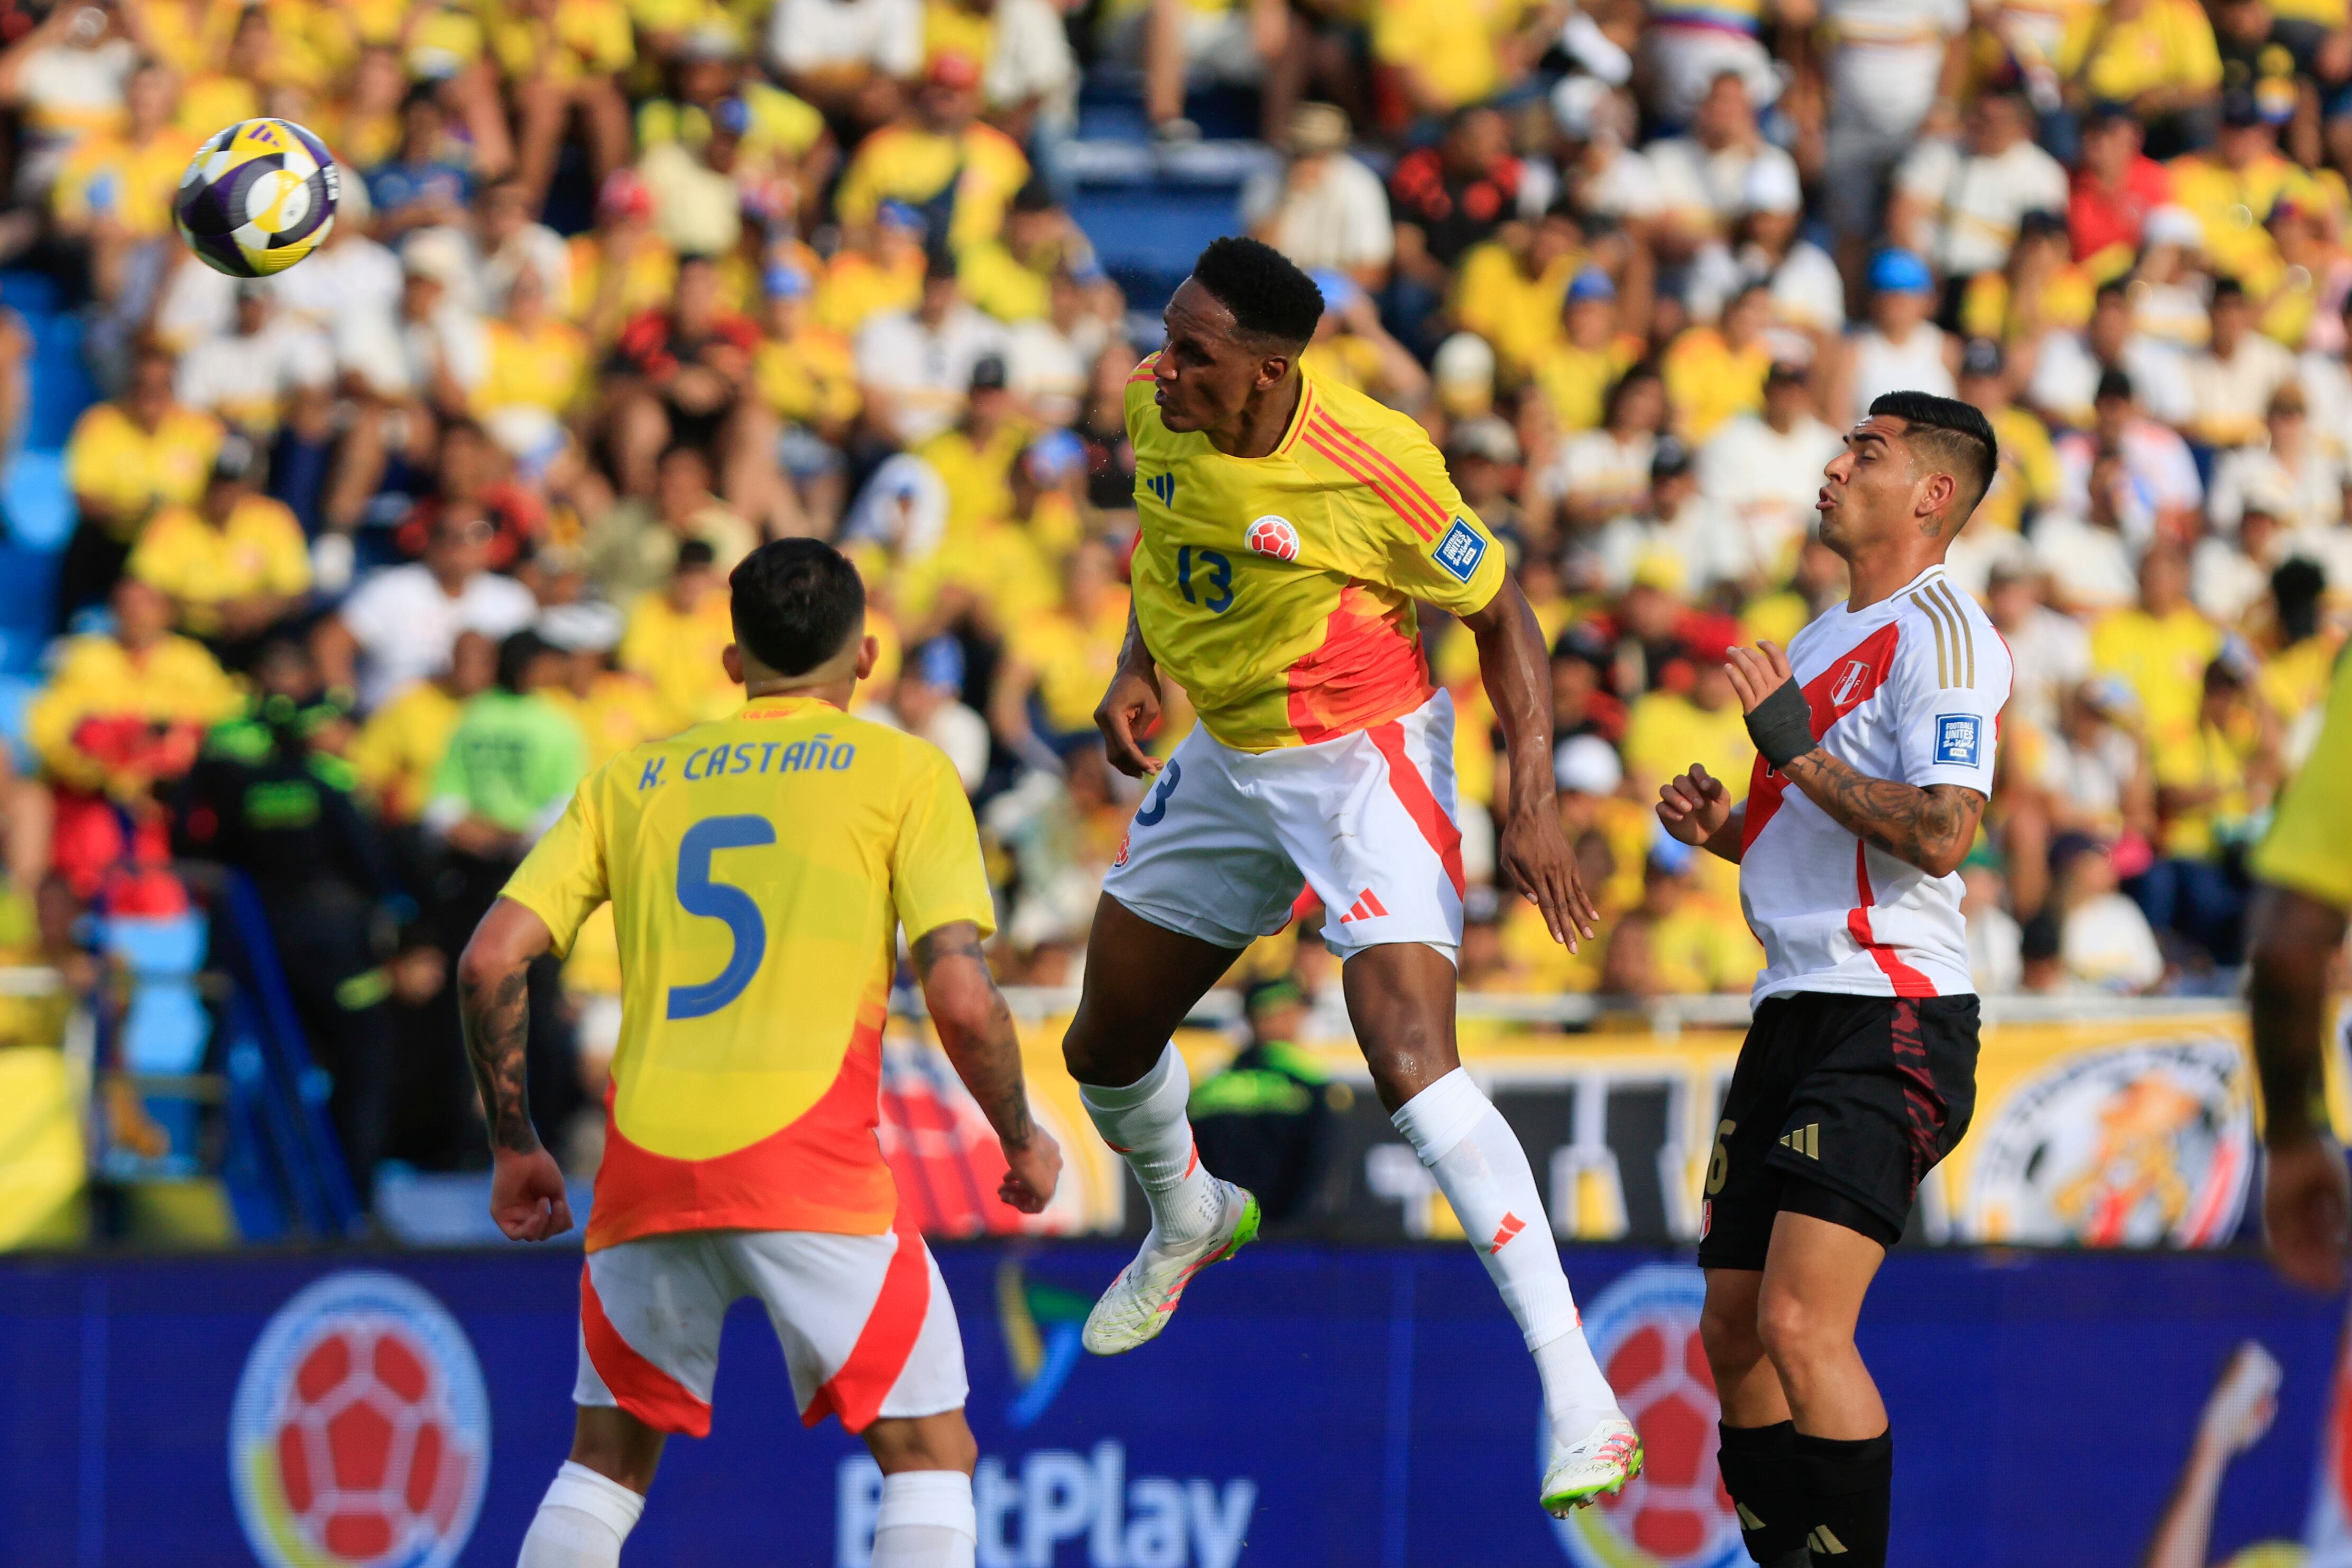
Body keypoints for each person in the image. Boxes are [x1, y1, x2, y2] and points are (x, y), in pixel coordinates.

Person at [1064, 236, 1639, 1515]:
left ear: (1269, 374)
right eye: (1165, 337)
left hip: (1360, 760)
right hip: (1226, 750)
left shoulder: (1376, 462)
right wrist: (1135, 665)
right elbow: (1165, 552)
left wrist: (1529, 803)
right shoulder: (1151, 406)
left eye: (1195, 353)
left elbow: (1504, 615)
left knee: (1403, 1054)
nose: (1163, 368)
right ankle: (1189, 1213)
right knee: (1101, 1047)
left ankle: (1580, 1392)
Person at [460, 538, 1060, 1568]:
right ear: (865, 656)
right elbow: (960, 996)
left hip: (645, 1163)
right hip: (809, 1162)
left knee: (602, 1463)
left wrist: (514, 1140)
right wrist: (1022, 1133)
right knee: (927, 1453)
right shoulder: (904, 772)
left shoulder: (635, 776)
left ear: (734, 662)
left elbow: (488, 960)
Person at [1655, 390, 2010, 1568]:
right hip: (1793, 1006)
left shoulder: (1943, 632)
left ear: (1931, 493)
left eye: (1864, 450)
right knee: (1732, 1330)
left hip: (1890, 1012)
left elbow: (1945, 831)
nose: (1830, 464)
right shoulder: (1814, 639)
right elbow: (1814, 828)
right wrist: (1726, 829)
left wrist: (1791, 749)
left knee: (1803, 1322)